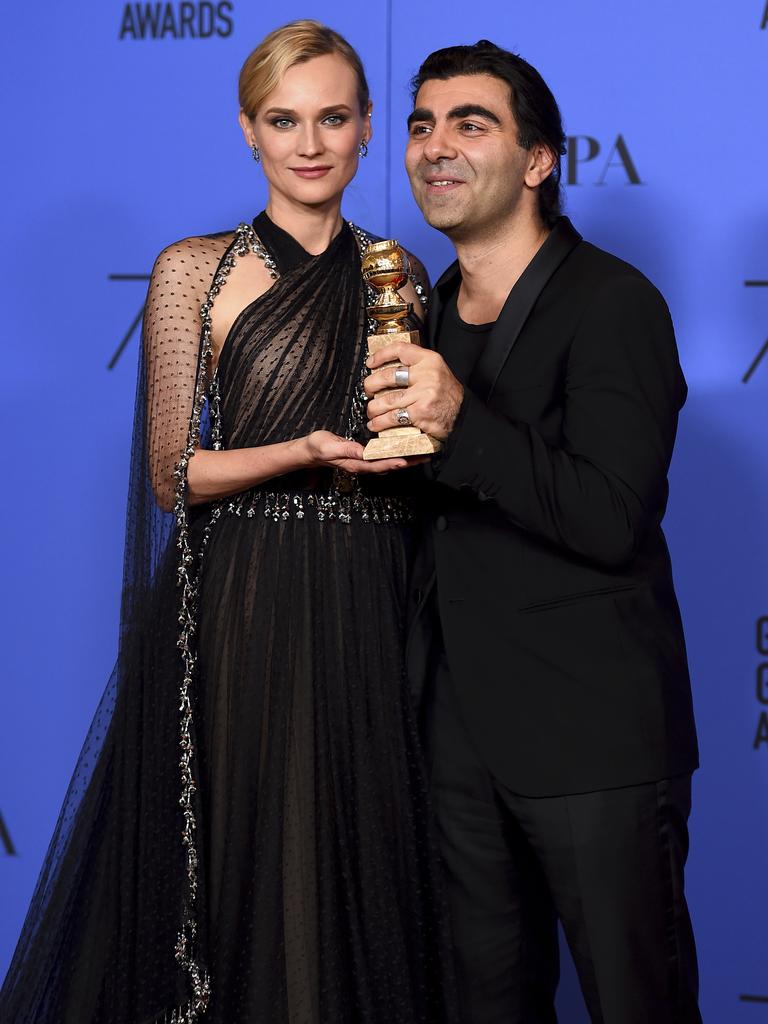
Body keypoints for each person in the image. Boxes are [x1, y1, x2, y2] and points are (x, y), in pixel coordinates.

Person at [0, 21, 458, 1024]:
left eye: (332, 117)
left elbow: (414, 450)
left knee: (360, 840)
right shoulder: (194, 270)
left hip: (369, 590)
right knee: (251, 841)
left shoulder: (401, 274)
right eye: (283, 119)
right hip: (244, 592)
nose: (309, 142)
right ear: (248, 132)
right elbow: (172, 472)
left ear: (368, 130)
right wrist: (299, 450)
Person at [365, 40, 701, 1024]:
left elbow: (609, 516)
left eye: (472, 122)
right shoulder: (416, 311)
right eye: (422, 125)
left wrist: (462, 420)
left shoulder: (613, 303)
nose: (435, 146)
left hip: (592, 742)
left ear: (541, 159)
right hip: (454, 743)